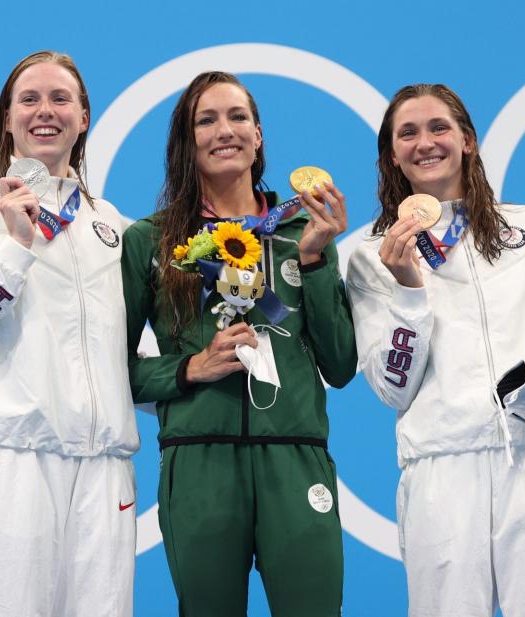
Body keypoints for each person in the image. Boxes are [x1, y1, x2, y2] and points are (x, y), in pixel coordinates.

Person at [346, 84, 525, 617]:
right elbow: (393, 388)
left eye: (438, 127)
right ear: (391, 154)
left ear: (468, 140)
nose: (425, 142)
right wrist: (409, 290)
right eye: (408, 133)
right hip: (442, 472)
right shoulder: (372, 257)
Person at [121, 71, 357, 617]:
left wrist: (318, 261)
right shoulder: (149, 240)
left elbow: (342, 364)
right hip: (197, 458)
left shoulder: (304, 231)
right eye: (206, 120)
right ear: (187, 141)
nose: (223, 130)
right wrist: (189, 370)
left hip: (295, 455)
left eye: (237, 117)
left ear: (258, 136)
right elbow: (115, 371)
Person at [0, 51, 138, 617]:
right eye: (30, 99)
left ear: (84, 117)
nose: (47, 111)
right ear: (7, 119)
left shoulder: (112, 225)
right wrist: (13, 250)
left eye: (61, 99)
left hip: (105, 472)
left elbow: (134, 356)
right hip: (11, 463)